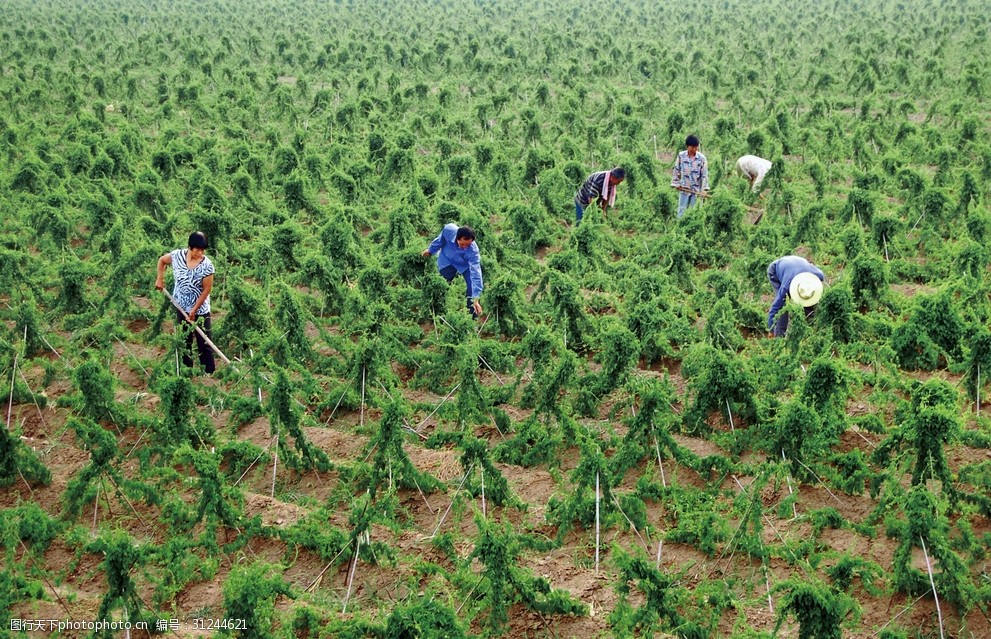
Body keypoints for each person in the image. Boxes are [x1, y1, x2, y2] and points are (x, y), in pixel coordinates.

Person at [156, 231, 216, 374]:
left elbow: (207, 290)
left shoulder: (207, 265)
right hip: (181, 306)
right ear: (190, 247)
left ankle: (208, 373)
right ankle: (186, 371)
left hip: (200, 310)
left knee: (204, 342)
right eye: (197, 250)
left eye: (203, 250)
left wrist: (194, 310)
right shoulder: (177, 256)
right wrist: (160, 278)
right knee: (184, 340)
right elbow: (162, 261)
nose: (200, 253)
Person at [422, 224, 483, 318]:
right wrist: (430, 250)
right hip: (447, 260)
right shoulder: (449, 230)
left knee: (471, 286)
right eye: (462, 244)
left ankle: (471, 316)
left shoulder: (473, 251)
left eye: (468, 245)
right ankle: (437, 310)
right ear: (457, 238)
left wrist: (476, 298)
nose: (465, 248)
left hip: (464, 265)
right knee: (442, 284)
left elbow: (476, 273)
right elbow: (440, 240)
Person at [767, 255, 825, 338]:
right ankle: (779, 337)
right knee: (783, 305)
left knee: (809, 305)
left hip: (797, 263)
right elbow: (776, 307)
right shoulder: (786, 286)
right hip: (776, 269)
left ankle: (811, 333)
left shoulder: (818, 275)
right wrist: (771, 329)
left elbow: (822, 277)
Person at [671, 135, 709, 219]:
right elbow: (676, 169)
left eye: (696, 147)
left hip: (696, 190)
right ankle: (679, 229)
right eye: (693, 147)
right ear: (687, 146)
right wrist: (676, 183)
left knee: (695, 212)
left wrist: (704, 189)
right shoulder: (681, 156)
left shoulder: (702, 158)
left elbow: (704, 175)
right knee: (681, 211)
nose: (695, 149)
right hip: (684, 188)